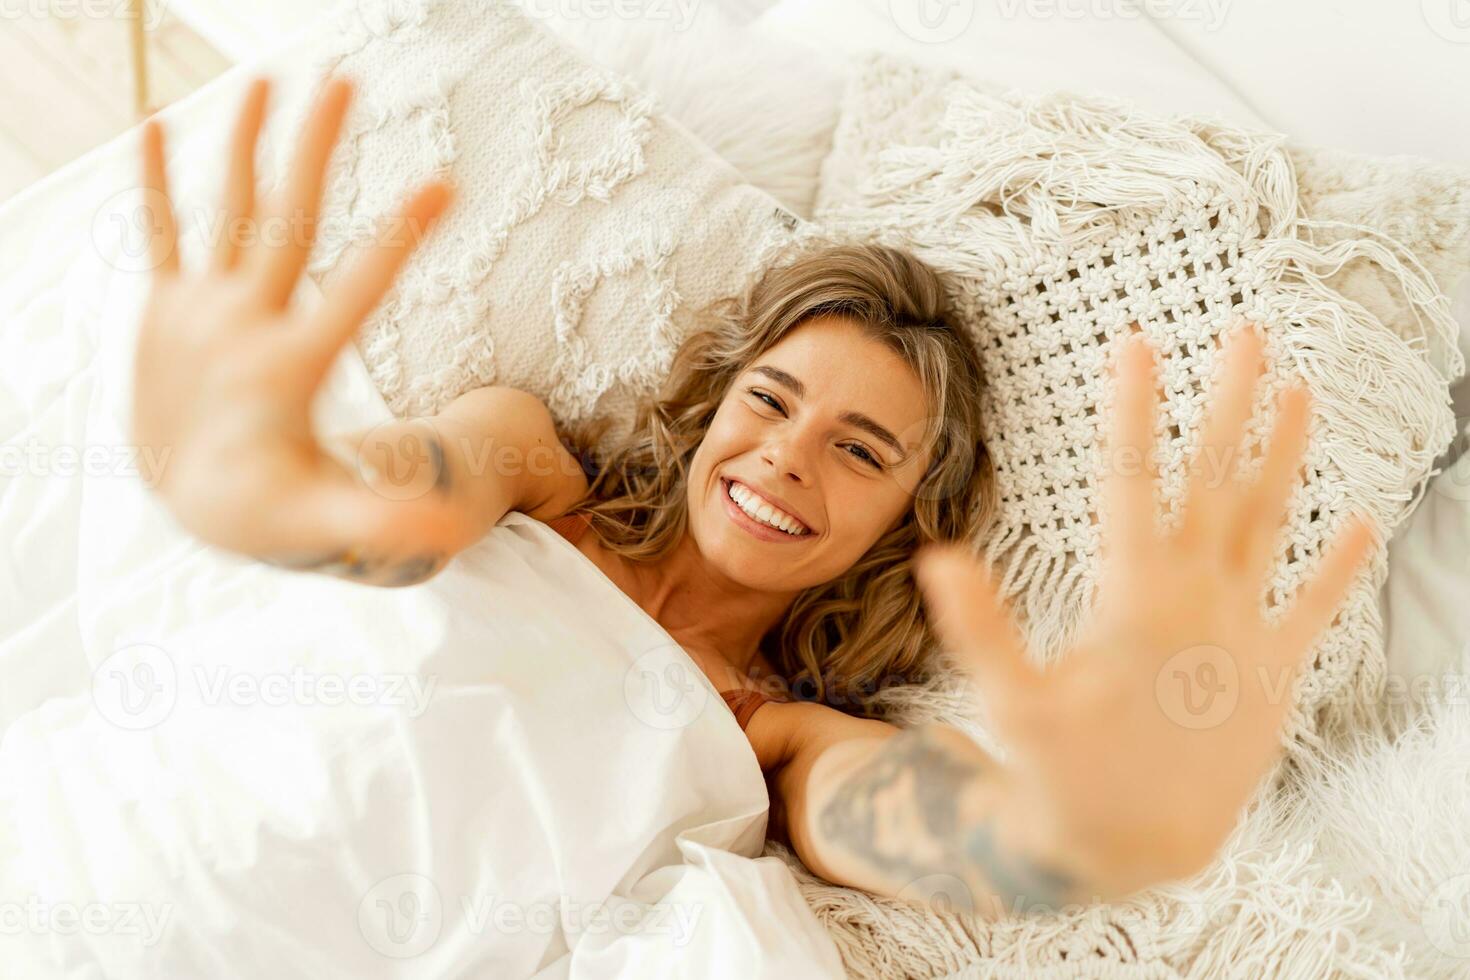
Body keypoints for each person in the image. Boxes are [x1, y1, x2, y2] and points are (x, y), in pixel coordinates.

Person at [129, 75, 1376, 921]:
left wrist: (1088, 835)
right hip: (129, 841)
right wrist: (253, 479)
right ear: (715, 402)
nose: (787, 457)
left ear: (909, 521)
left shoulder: (781, 740)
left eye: (861, 449)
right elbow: (385, 518)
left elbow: (945, 830)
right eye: (773, 401)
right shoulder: (530, 467)